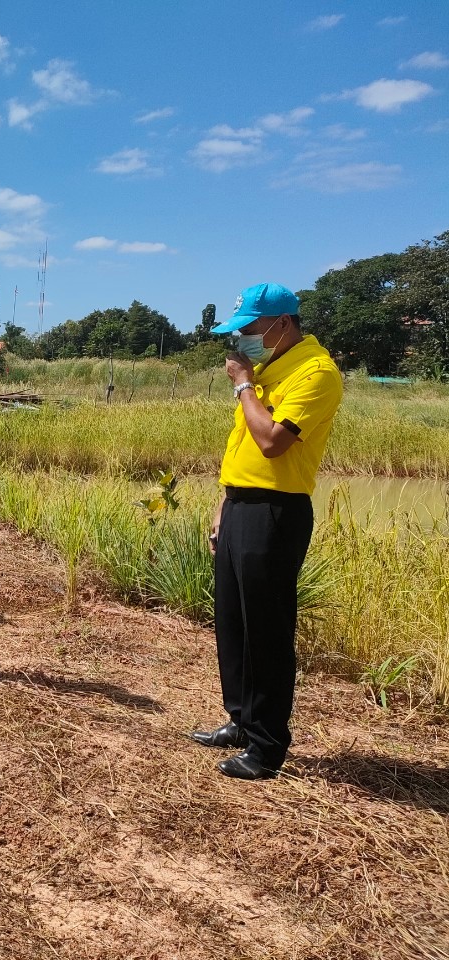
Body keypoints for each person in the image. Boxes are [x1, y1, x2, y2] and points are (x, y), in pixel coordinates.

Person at [191, 282, 343, 780]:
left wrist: (243, 386)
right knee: (234, 623)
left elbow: (272, 442)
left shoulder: (315, 373)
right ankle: (240, 720)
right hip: (241, 506)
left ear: (282, 324)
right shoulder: (271, 369)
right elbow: (243, 449)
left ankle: (267, 745)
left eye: (249, 329)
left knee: (267, 630)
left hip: (276, 512)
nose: (241, 340)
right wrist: (224, 506)